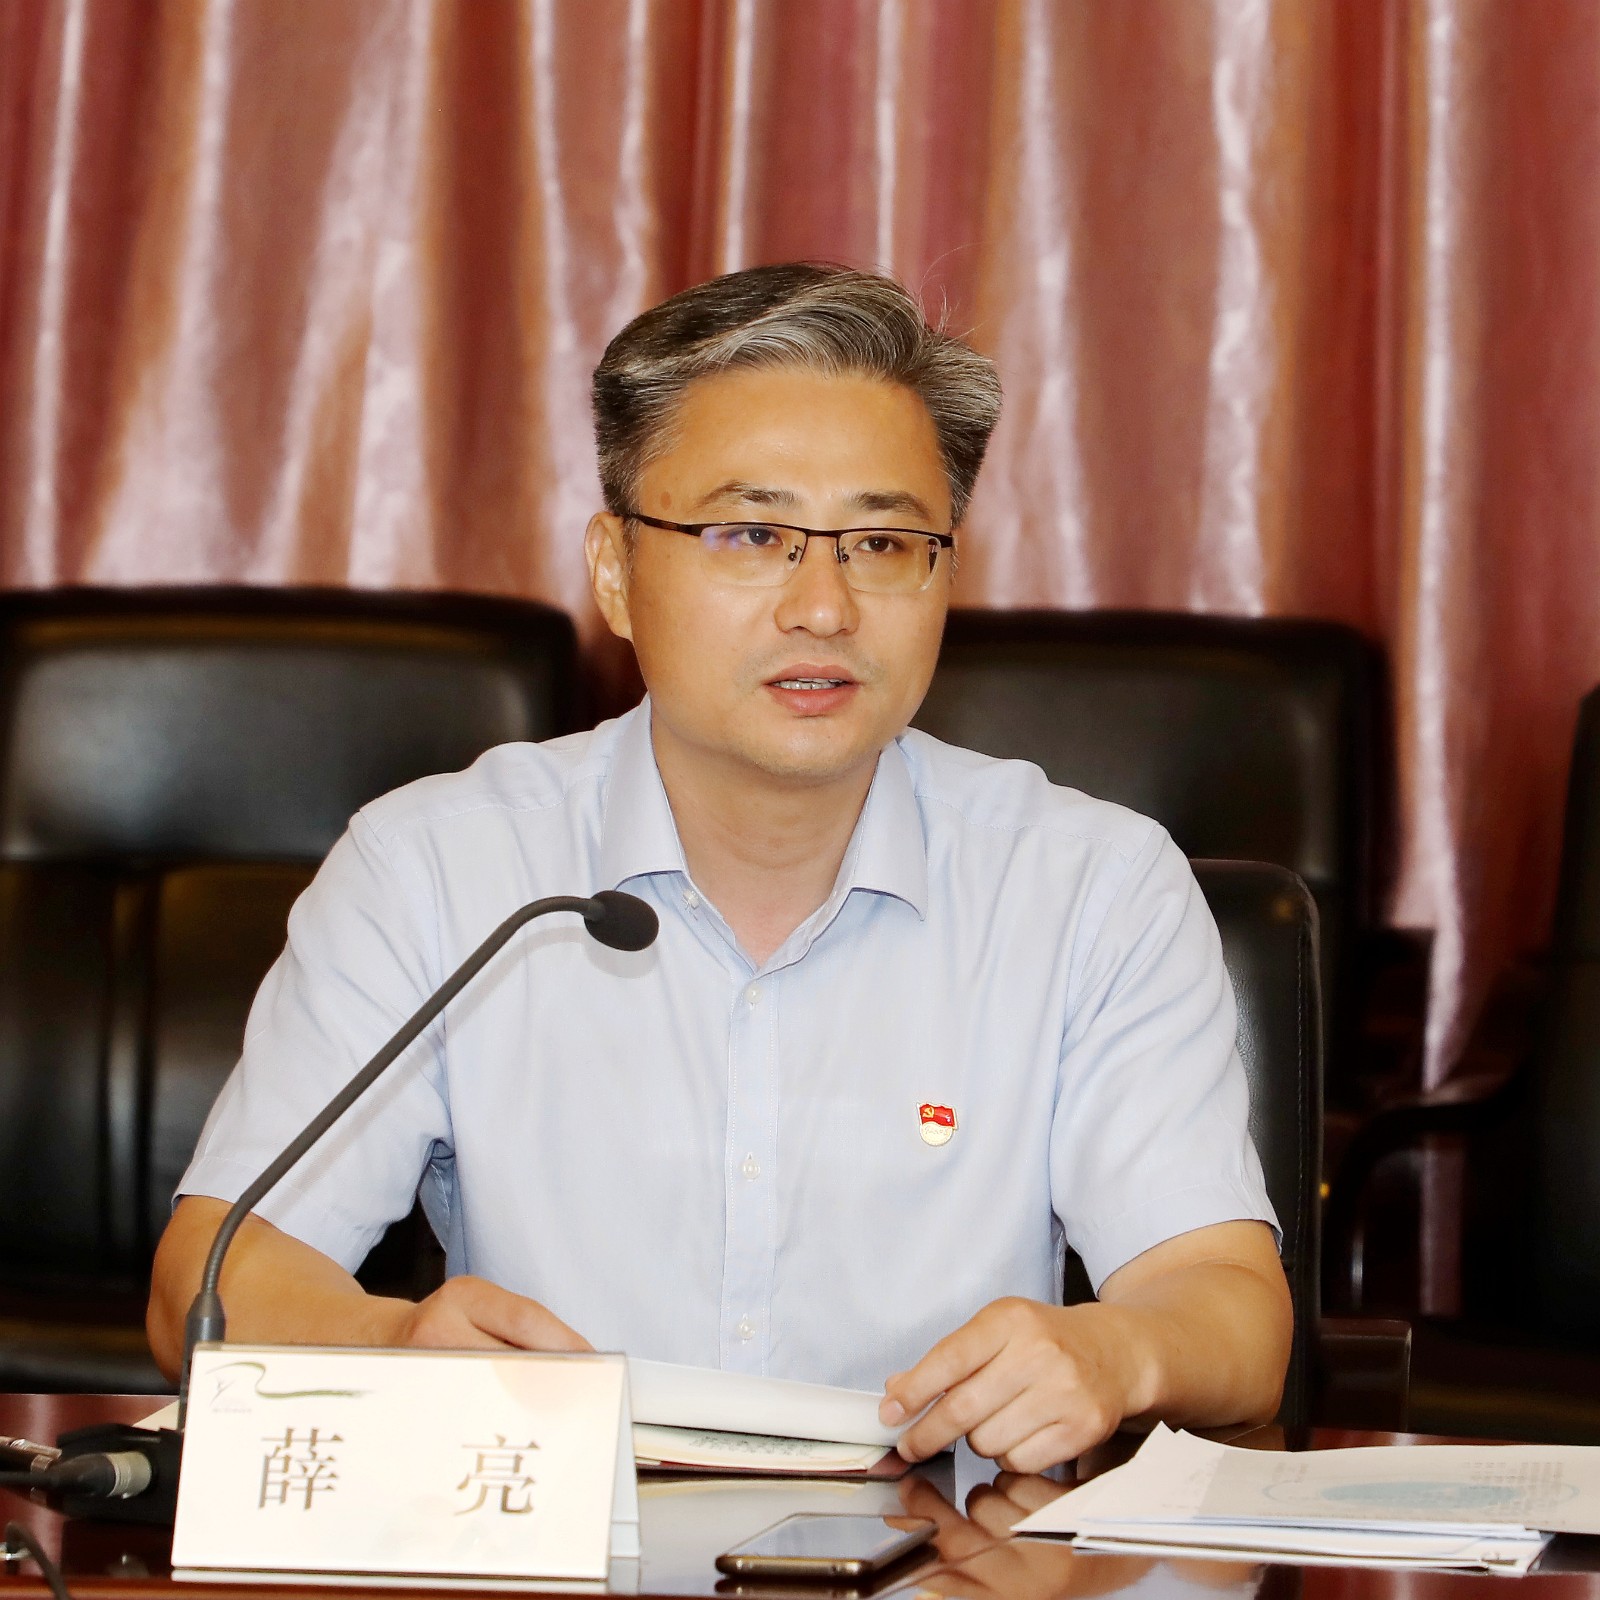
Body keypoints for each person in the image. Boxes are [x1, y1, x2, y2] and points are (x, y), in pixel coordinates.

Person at [147, 263, 1291, 1474]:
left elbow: (1228, 1305)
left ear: (946, 573)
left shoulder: (1091, 887)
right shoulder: (440, 867)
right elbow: (209, 1280)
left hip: (947, 1543)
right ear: (614, 570)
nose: (823, 607)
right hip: (560, 1537)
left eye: (883, 541)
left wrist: (1116, 1351)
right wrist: (393, 1345)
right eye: (750, 534)